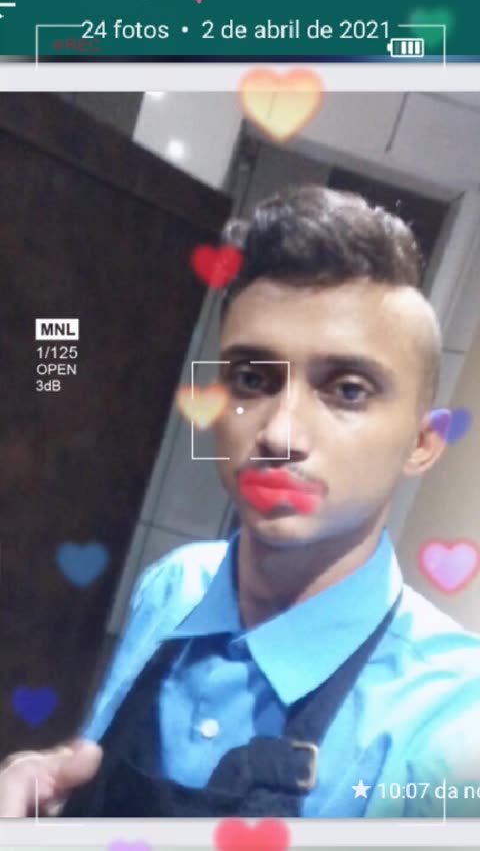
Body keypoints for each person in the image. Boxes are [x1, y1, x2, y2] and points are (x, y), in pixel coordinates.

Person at [2, 184, 480, 819]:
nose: (278, 435)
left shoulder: (451, 724)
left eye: (347, 390)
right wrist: (43, 785)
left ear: (422, 443)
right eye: (251, 380)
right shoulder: (173, 587)